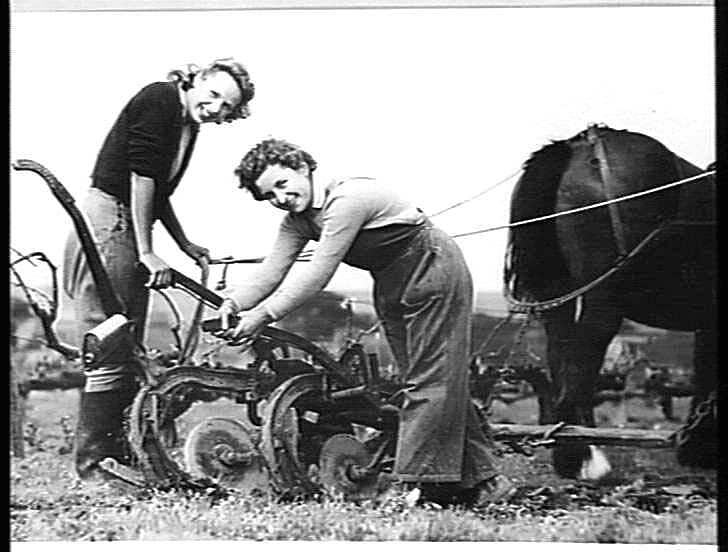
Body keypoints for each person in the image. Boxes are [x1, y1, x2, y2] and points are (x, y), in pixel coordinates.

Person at [216, 138, 512, 506]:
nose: (280, 197)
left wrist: (261, 315)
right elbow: (272, 271)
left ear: (303, 167)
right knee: (434, 379)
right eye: (268, 195)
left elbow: (318, 272)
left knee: (430, 381)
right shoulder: (297, 222)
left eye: (282, 183)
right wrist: (233, 302)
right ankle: (487, 482)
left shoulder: (347, 200)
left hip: (433, 269)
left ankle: (415, 487)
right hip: (391, 281)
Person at [63, 58, 255, 481]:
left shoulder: (187, 124)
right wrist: (148, 252)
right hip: (111, 218)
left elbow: (158, 191)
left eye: (227, 106)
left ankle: (124, 455)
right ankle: (93, 466)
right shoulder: (161, 99)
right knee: (109, 332)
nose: (216, 108)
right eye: (214, 95)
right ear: (198, 80)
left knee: (128, 335)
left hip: (129, 221)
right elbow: (141, 177)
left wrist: (183, 242)